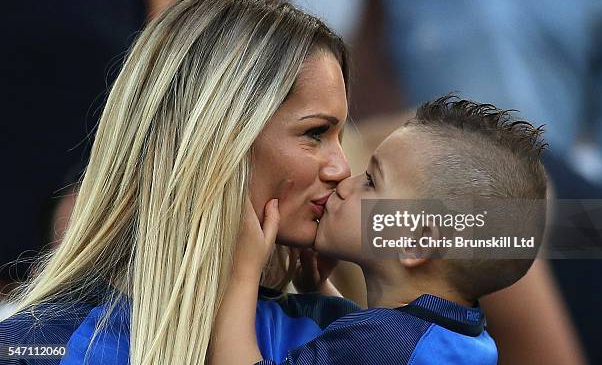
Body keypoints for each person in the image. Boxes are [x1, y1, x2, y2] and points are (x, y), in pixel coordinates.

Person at [0, 0, 354, 364]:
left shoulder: (334, 336)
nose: (342, 168)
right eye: (315, 133)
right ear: (216, 140)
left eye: (338, 136)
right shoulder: (32, 347)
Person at [211, 96, 548, 364]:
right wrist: (320, 292)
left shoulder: (384, 344)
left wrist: (243, 272)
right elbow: (359, 338)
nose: (345, 180)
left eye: (371, 182)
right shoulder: (461, 335)